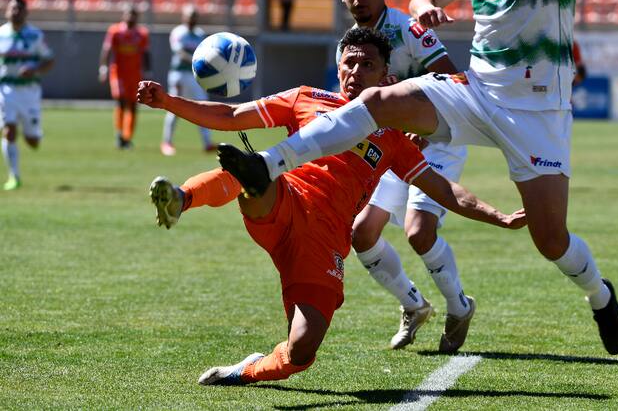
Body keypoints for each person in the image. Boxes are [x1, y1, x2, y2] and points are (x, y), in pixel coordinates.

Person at [224, 0, 618, 356]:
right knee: (378, 102)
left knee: (551, 239)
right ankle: (270, 163)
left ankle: (600, 295)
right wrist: (429, 8)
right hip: (476, 93)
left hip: (538, 113)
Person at [137, 27, 526, 385]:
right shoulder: (307, 98)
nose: (356, 71)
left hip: (326, 240)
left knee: (302, 351)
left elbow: (444, 190)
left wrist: (501, 216)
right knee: (253, 177)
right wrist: (168, 101)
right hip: (288, 199)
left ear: (385, 75)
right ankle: (181, 197)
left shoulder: (391, 137)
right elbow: (231, 115)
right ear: (338, 66)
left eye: (367, 64)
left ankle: (247, 370)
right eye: (349, 62)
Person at [339, 0, 472, 352]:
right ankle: (414, 305)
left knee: (418, 230)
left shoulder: (409, 29)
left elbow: (453, 77)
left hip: (438, 136)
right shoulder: (348, 44)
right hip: (395, 145)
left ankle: (459, 306)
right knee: (362, 233)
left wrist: (424, 117)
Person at [0, 0, 54, 190]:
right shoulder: (1, 34)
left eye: (19, 9)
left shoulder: (35, 35)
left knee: (33, 141)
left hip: (29, 92)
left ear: (26, 13)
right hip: (6, 90)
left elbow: (49, 60)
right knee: (9, 131)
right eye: (12, 8)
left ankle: (30, 131)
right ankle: (14, 176)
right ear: (7, 11)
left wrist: (35, 69)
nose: (15, 12)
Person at [160, 5, 214, 156]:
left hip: (195, 76)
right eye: (190, 16)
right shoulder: (179, 32)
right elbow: (179, 51)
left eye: (194, 16)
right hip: (179, 74)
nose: (192, 19)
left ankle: (207, 142)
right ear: (184, 17)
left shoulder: (199, 34)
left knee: (204, 107)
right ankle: (167, 142)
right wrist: (195, 60)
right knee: (174, 108)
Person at [98, 5, 150, 149]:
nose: (131, 17)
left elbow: (146, 53)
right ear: (123, 15)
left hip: (135, 74)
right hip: (118, 73)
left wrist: (148, 71)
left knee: (133, 105)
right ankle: (119, 134)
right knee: (120, 101)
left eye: (134, 14)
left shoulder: (142, 33)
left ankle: (128, 136)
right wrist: (103, 67)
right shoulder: (115, 31)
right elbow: (107, 50)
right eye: (129, 14)